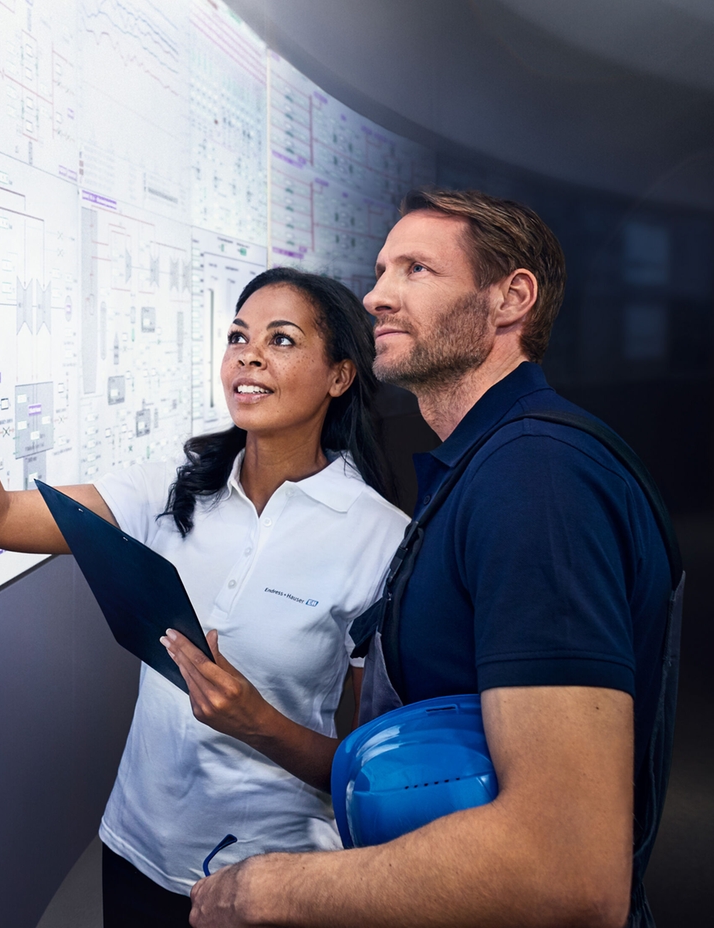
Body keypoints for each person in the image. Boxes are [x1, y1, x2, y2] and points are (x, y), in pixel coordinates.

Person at [189, 189, 675, 928]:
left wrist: (271, 892)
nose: (378, 295)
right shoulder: (492, 465)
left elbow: (568, 865)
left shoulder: (535, 480)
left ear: (511, 299)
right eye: (382, 270)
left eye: (416, 270)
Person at [0, 262, 408, 925]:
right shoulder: (168, 490)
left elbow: (368, 771)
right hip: (136, 847)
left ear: (340, 375)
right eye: (237, 336)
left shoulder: (382, 539)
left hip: (271, 878)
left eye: (281, 339)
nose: (247, 354)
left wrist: (258, 724)